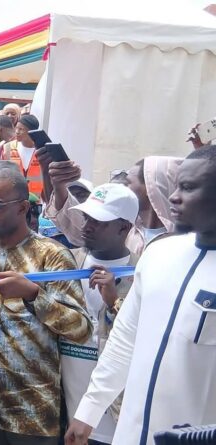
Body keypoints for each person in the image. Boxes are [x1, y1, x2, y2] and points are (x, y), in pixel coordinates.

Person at [65, 145, 216, 445]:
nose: (173, 197)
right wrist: (89, 410)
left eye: (187, 188)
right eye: (175, 186)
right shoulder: (158, 253)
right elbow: (124, 340)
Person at [0, 168, 92, 445]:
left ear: (22, 208)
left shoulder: (52, 255)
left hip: (34, 410)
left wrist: (33, 295)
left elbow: (81, 329)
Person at [54, 183, 139, 445]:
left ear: (124, 228)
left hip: (115, 422)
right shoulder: (63, 262)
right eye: (86, 217)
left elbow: (143, 341)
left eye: (98, 221)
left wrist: (115, 301)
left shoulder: (144, 274)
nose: (86, 225)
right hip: (63, 413)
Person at [45, 156, 182, 256]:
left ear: (151, 189)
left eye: (128, 182)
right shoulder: (126, 228)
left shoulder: (180, 241)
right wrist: (59, 185)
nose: (87, 227)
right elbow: (74, 223)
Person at [0, 114, 44, 199]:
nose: (17, 131)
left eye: (21, 129)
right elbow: (1, 174)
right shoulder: (7, 148)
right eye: (16, 128)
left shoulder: (42, 150)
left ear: (32, 132)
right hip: (13, 199)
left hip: (37, 201)